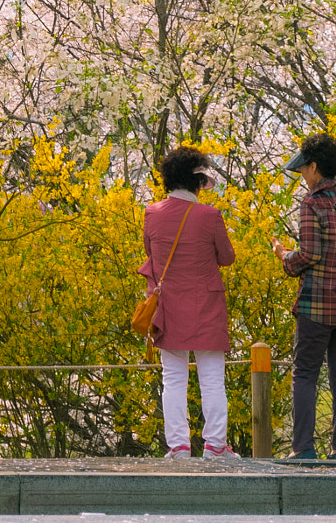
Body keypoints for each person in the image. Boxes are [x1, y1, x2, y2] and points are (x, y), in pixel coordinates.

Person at [271, 131, 336, 461]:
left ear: (314, 167)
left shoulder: (312, 203)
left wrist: (284, 256)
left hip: (317, 304)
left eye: (303, 169)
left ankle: (304, 449)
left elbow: (310, 254)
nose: (301, 175)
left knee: (306, 374)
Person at [138, 145, 238, 460]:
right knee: (211, 377)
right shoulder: (209, 216)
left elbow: (152, 255)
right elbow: (227, 258)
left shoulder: (152, 213)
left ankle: (179, 446)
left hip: (168, 307)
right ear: (198, 182)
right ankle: (215, 446)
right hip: (206, 305)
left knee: (173, 378)